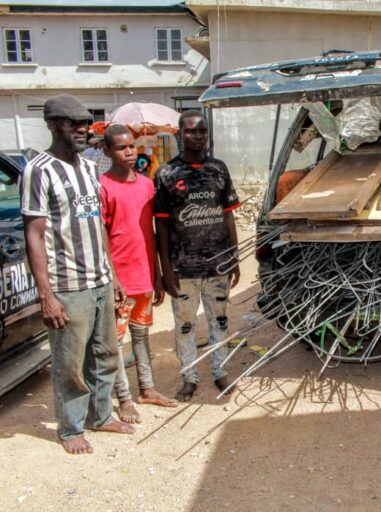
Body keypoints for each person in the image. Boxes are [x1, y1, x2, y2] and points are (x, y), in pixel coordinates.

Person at [20, 94, 134, 454]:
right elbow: (34, 234)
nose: (84, 129)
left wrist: (112, 274)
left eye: (86, 123)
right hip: (67, 286)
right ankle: (71, 428)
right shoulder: (38, 170)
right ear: (53, 125)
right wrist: (46, 295)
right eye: (74, 123)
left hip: (99, 279)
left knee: (106, 354)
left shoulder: (88, 167)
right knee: (70, 362)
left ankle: (100, 415)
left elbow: (97, 223)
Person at [154, 110, 241, 402]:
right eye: (191, 131)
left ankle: (221, 372)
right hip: (183, 268)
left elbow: (228, 216)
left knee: (220, 321)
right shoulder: (166, 174)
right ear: (180, 134)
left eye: (202, 131)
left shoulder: (218, 169)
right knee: (185, 326)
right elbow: (162, 224)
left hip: (217, 264)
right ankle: (189, 377)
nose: (197, 136)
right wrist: (166, 269)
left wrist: (235, 256)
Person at [100, 124, 178, 423]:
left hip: (145, 275)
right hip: (120, 279)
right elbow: (102, 235)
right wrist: (113, 278)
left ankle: (147, 388)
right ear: (107, 151)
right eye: (121, 147)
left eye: (131, 146)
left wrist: (158, 275)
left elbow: (153, 233)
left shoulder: (147, 185)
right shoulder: (103, 186)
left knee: (142, 336)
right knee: (118, 343)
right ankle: (124, 398)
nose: (129, 152)